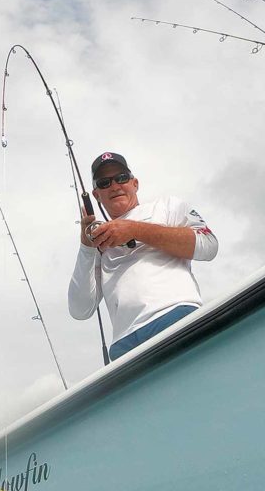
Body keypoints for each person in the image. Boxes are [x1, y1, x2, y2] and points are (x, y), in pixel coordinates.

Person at [68, 151, 218, 361]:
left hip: (175, 316)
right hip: (124, 346)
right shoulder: (97, 242)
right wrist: (86, 246)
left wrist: (134, 230)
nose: (114, 186)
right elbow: (80, 310)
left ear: (135, 183)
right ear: (96, 195)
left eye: (121, 178)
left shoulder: (167, 207)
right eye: (104, 182)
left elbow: (209, 245)